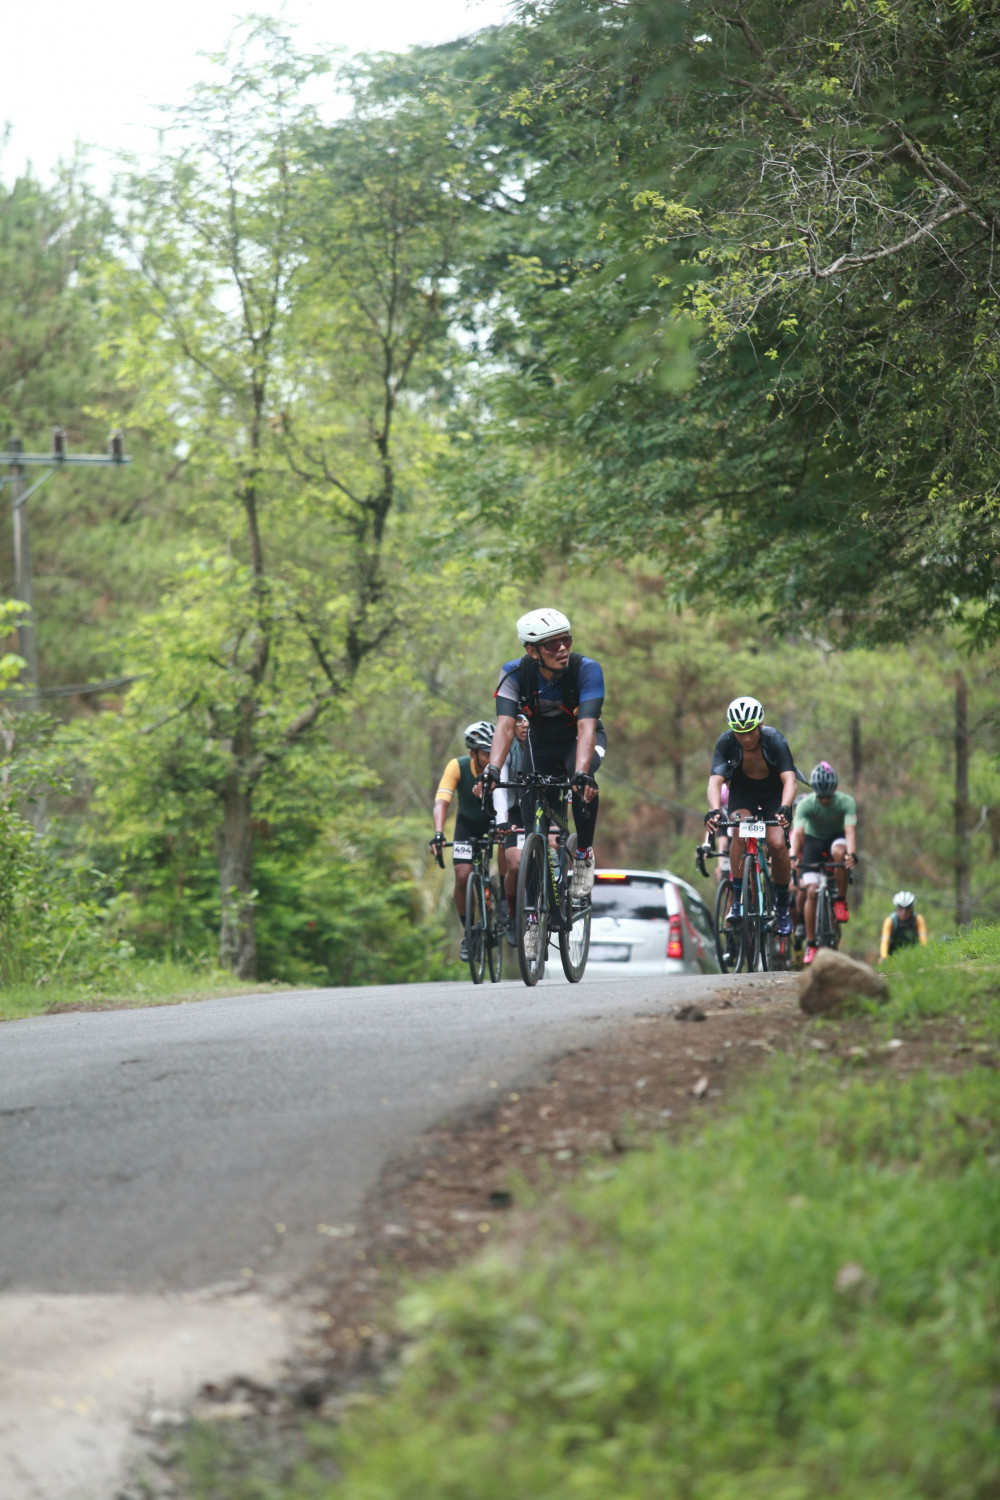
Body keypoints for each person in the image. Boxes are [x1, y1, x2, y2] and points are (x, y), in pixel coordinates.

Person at [484, 608, 606, 899]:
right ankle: (533, 912)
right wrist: (492, 769)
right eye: (552, 644)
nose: (562, 648)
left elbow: (586, 726)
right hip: (540, 744)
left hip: (580, 739)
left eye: (566, 640)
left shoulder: (586, 669)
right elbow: (505, 726)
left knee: (582, 784)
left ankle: (583, 853)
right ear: (532, 650)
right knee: (531, 816)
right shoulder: (514, 673)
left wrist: (581, 773)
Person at [704, 696, 800, 937]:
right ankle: (737, 901)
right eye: (739, 732)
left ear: (760, 725)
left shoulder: (774, 739)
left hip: (774, 794)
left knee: (777, 844)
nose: (746, 738)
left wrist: (785, 807)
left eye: (750, 730)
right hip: (743, 793)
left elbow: (790, 780)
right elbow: (714, 782)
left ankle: (781, 907)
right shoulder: (726, 742)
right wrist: (714, 810)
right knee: (738, 830)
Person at [430, 720, 497, 961]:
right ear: (473, 753)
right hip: (467, 825)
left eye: (493, 751)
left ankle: (505, 913)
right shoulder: (457, 766)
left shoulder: (502, 767)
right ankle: (469, 932)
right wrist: (439, 833)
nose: (491, 758)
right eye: (486, 753)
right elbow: (441, 802)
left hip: (497, 823)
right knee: (462, 876)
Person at [790, 761, 858, 966]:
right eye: (821, 797)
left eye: (829, 797)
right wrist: (793, 855)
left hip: (836, 838)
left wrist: (851, 854)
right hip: (813, 842)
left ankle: (840, 901)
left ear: (835, 791)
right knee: (811, 891)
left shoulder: (846, 802)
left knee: (840, 852)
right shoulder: (805, 804)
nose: (825, 801)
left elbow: (850, 831)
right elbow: (798, 833)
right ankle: (811, 944)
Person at [492, 714, 529, 945]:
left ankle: (558, 896)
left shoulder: (543, 742)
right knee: (514, 864)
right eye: (519, 719)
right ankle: (513, 916)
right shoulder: (507, 747)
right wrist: (500, 819)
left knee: (556, 843)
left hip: (545, 808)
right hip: (517, 811)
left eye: (528, 719)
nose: (525, 724)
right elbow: (500, 785)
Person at [880, 890, 928, 959]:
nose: (904, 912)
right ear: (896, 908)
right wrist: (884, 957)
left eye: (907, 909)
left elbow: (923, 940)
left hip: (913, 956)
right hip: (892, 955)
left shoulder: (918, 919)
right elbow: (885, 941)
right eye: (900, 908)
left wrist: (924, 954)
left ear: (912, 908)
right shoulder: (890, 921)